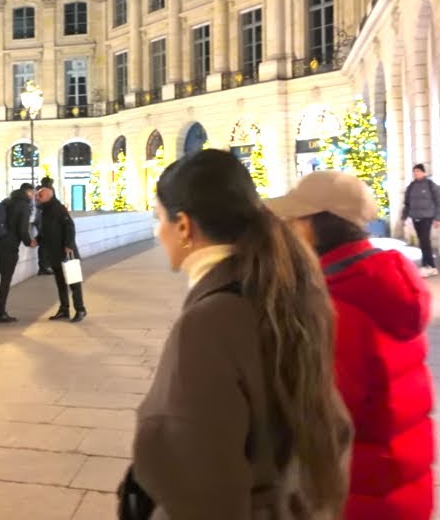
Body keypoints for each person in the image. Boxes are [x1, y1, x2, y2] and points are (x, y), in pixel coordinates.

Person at [124, 149, 350, 519]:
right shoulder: (285, 290)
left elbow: (199, 484)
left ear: (183, 226)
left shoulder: (209, 323)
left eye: (158, 218)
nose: (156, 230)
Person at [267, 170, 435, 520]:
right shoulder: (382, 281)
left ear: (318, 226)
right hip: (398, 488)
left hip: (354, 496)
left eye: (296, 219)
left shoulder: (339, 304)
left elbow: (322, 421)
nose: (288, 229)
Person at [0, 183, 36, 323]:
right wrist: (29, 242)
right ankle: (0, 313)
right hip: (9, 246)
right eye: (33, 193)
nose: (34, 196)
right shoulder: (24, 206)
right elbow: (23, 230)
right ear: (28, 192)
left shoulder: (7, 201)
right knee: (5, 279)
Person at [37, 186, 85, 322]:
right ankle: (64, 309)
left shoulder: (58, 208)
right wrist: (38, 239)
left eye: (40, 195)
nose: (37, 198)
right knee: (60, 282)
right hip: (54, 253)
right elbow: (46, 231)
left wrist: (69, 245)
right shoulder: (44, 211)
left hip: (67, 253)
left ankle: (80, 309)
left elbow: (69, 226)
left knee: (74, 282)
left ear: (49, 196)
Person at [401, 164, 440, 276]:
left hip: (427, 217)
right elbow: (407, 204)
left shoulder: (431, 185)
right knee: (422, 241)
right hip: (415, 216)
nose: (416, 173)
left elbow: (439, 202)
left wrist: (438, 218)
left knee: (425, 240)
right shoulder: (411, 187)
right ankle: (426, 264)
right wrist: (404, 217)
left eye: (418, 171)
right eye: (414, 171)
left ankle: (430, 265)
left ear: (424, 172)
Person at [36, 177, 55, 276]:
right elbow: (39, 205)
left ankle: (45, 266)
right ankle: (43, 267)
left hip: (43, 219)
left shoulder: (41, 190)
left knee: (46, 244)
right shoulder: (43, 191)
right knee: (44, 244)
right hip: (43, 219)